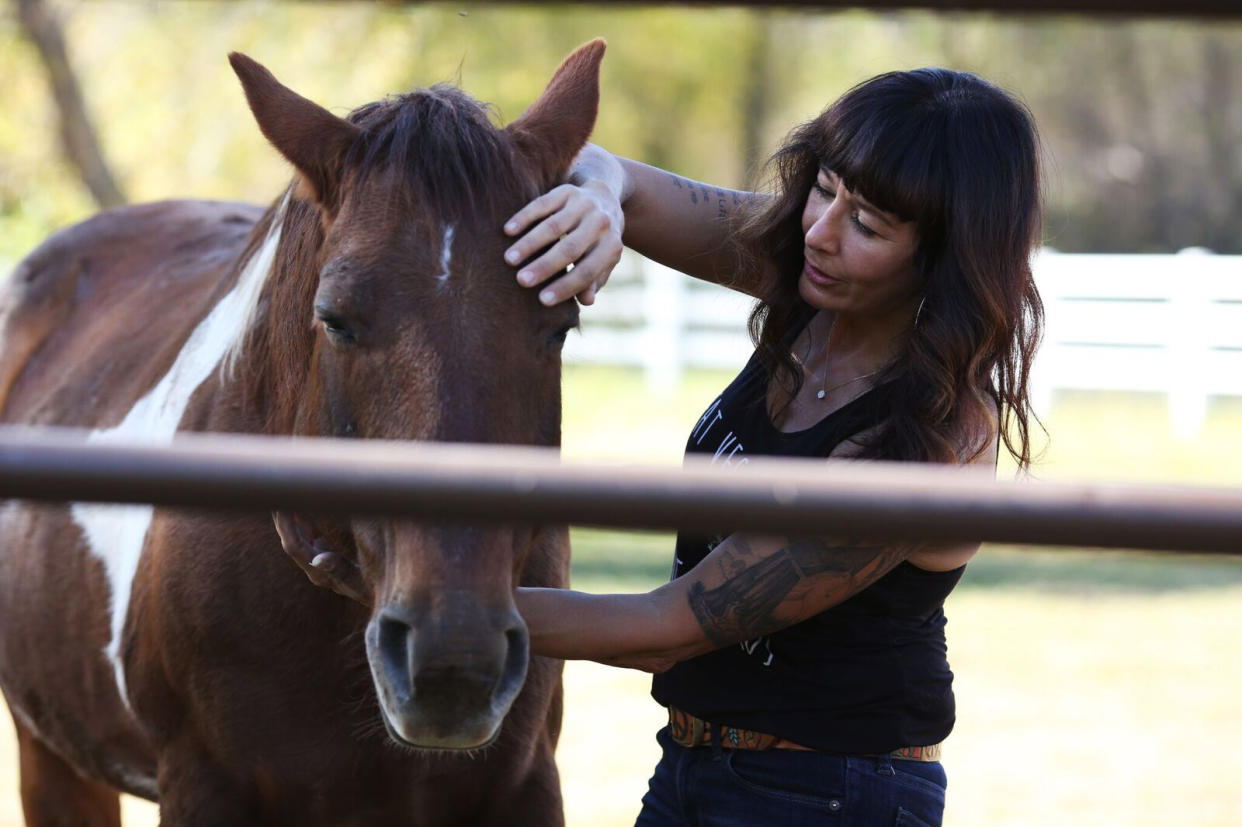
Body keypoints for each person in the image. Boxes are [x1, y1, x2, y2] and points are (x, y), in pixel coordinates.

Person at [504, 67, 1043, 826]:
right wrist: (597, 198)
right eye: (825, 188)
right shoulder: (815, 274)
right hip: (694, 763)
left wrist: (412, 599)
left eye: (870, 226)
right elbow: (620, 175)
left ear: (942, 258)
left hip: (831, 793)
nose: (821, 230)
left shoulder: (931, 439)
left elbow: (666, 626)